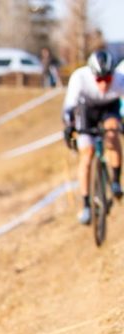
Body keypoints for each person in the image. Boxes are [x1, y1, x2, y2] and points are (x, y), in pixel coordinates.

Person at [63, 49, 124, 225]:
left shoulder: (120, 79)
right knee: (87, 153)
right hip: (86, 110)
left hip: (109, 108)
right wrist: (69, 127)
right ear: (92, 76)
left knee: (112, 133)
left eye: (108, 79)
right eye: (99, 79)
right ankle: (86, 205)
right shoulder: (80, 78)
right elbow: (69, 107)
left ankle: (115, 181)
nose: (104, 84)